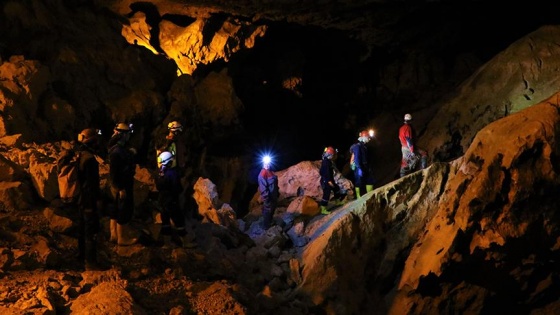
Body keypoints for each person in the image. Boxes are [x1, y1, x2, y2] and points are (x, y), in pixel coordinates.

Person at [74, 128, 104, 270]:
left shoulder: (79, 155)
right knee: (90, 230)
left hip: (79, 198)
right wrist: (97, 200)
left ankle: (80, 258)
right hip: (88, 199)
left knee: (81, 229)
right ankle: (91, 263)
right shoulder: (90, 160)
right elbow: (92, 184)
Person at [155, 151, 196, 248]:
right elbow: (177, 188)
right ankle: (185, 242)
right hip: (171, 200)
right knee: (179, 220)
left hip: (161, 201)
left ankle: (167, 243)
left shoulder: (159, 173)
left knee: (165, 222)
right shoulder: (172, 173)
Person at [107, 122, 138, 246]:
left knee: (115, 209)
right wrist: (121, 188)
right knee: (124, 209)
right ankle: (122, 238)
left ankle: (113, 235)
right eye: (127, 134)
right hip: (123, 184)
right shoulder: (117, 152)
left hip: (117, 184)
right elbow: (116, 171)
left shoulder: (114, 148)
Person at [398, 113, 428, 177]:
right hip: (408, 147)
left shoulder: (401, 128)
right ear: (410, 120)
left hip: (403, 147)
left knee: (405, 163)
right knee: (424, 154)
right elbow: (408, 139)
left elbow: (400, 138)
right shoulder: (407, 128)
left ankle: (402, 177)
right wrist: (411, 150)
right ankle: (424, 172)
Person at [319, 146, 346, 215]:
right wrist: (328, 181)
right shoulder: (326, 162)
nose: (334, 156)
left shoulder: (328, 161)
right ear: (330, 155)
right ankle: (323, 208)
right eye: (333, 155)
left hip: (329, 179)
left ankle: (337, 201)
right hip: (326, 180)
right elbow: (324, 172)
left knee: (336, 188)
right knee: (326, 194)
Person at [349, 130, 375, 198]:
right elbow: (357, 158)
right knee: (359, 181)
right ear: (364, 137)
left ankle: (370, 194)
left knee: (369, 179)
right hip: (359, 166)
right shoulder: (358, 146)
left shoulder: (364, 146)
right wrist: (359, 168)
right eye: (368, 137)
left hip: (365, 166)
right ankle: (358, 196)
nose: (369, 139)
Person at [258, 155, 279, 229]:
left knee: (272, 210)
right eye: (266, 163)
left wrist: (277, 193)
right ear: (263, 163)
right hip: (269, 197)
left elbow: (275, 184)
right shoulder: (263, 173)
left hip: (273, 196)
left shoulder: (271, 172)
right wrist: (266, 198)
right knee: (268, 210)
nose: (267, 165)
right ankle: (266, 227)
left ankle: (269, 223)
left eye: (269, 163)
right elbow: (263, 187)